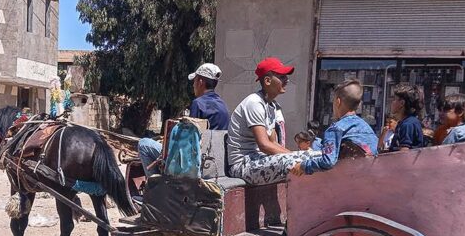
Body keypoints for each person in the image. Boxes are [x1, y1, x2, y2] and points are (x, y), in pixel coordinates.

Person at [226, 57, 311, 185]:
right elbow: (264, 145)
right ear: (267, 80)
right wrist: (293, 156)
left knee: (312, 156)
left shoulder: (271, 106)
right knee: (298, 161)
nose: (286, 80)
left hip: (258, 160)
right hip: (242, 165)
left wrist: (295, 155)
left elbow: (273, 143)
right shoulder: (254, 103)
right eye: (282, 77)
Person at [138, 62, 230, 175]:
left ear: (200, 82)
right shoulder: (223, 105)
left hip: (197, 160)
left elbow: (189, 139)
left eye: (194, 81)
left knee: (143, 144)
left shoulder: (198, 103)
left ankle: (155, 185)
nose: (193, 85)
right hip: (214, 159)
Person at [291, 80, 378, 176]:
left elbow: (328, 161)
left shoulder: (335, 129)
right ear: (358, 105)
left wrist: (303, 166)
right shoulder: (367, 128)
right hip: (370, 179)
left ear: (337, 102)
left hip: (349, 182)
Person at [381, 84, 427, 152]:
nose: (391, 102)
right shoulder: (403, 123)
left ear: (402, 103)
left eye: (394, 99)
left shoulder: (408, 125)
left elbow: (404, 154)